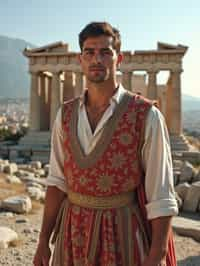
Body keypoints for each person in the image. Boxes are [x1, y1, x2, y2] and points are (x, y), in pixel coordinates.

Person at [33, 22, 178, 266]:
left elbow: (161, 194)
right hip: (71, 233)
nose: (96, 59)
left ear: (118, 59)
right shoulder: (65, 115)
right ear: (80, 60)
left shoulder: (146, 115)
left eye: (105, 52)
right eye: (89, 52)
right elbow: (57, 182)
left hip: (122, 233)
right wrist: (43, 241)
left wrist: (157, 254)